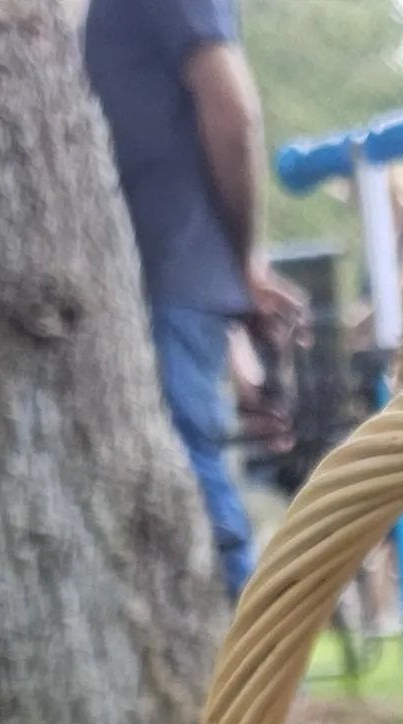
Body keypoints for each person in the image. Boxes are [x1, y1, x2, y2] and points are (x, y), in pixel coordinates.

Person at [82, 0, 301, 600]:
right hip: (144, 279)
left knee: (193, 494)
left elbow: (234, 111)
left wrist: (243, 260)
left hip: (169, 278)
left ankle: (250, 654)